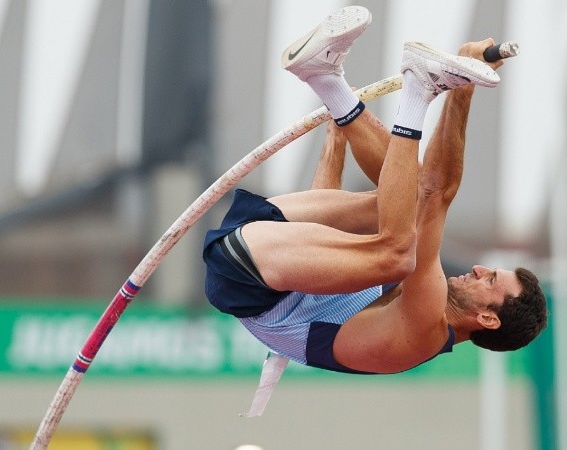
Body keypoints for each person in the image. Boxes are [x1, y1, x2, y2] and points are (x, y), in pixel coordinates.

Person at [203, 6, 548, 375]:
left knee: (400, 251)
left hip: (247, 279)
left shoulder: (420, 332)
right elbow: (324, 243)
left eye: (491, 280)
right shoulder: (409, 300)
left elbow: (437, 194)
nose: (479, 268)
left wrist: (460, 88)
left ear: (487, 319)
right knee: (407, 210)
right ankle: (324, 79)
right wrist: (335, 143)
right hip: (265, 248)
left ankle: (416, 91)